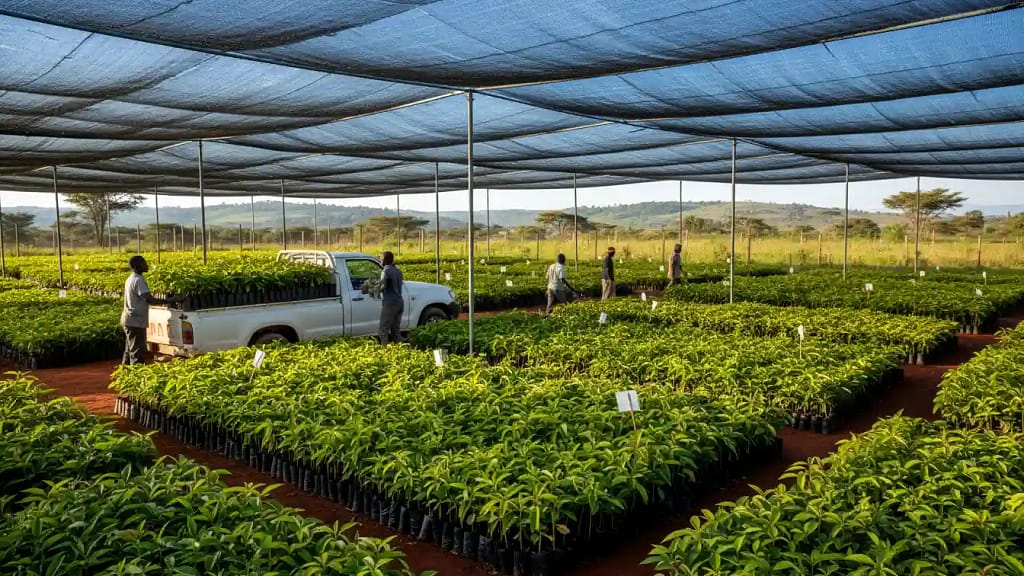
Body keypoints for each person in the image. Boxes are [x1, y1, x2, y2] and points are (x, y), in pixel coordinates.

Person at [121, 255, 180, 365]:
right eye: (143, 263)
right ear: (136, 266)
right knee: (137, 353)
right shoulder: (138, 280)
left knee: (129, 350)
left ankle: (124, 374)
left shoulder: (131, 278)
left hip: (129, 319)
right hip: (135, 321)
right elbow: (150, 299)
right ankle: (136, 376)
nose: (146, 265)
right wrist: (172, 299)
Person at [378, 251, 404, 344]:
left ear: (385, 260)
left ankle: (384, 352)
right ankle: (403, 350)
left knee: (383, 330)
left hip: (390, 303)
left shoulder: (385, 271)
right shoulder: (398, 271)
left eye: (381, 258)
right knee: (395, 331)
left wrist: (369, 288)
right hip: (399, 302)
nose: (380, 260)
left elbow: (382, 286)